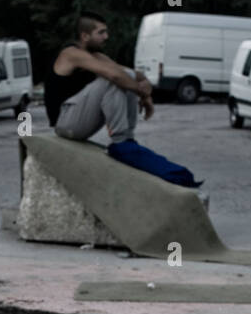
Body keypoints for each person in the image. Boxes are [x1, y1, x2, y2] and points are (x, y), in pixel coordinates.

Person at [45, 12, 201, 188]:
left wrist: (145, 87)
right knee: (113, 79)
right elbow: (114, 75)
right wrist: (141, 92)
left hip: (79, 121)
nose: (106, 37)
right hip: (65, 123)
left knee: (124, 76)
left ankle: (127, 139)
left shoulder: (97, 57)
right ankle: (121, 142)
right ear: (85, 36)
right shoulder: (70, 53)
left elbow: (134, 74)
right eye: (101, 33)